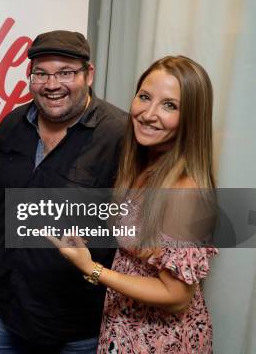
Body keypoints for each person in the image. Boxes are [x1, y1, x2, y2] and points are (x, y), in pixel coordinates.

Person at [0, 30, 127, 353]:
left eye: (66, 72)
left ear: (89, 74)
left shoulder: (119, 134)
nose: (52, 84)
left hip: (76, 325)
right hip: (4, 306)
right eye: (41, 73)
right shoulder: (15, 122)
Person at [50, 55, 218, 353]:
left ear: (191, 118)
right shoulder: (145, 165)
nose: (148, 113)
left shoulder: (184, 191)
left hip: (161, 341)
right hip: (125, 328)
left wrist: (92, 268)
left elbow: (177, 295)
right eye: (144, 97)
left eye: (170, 105)